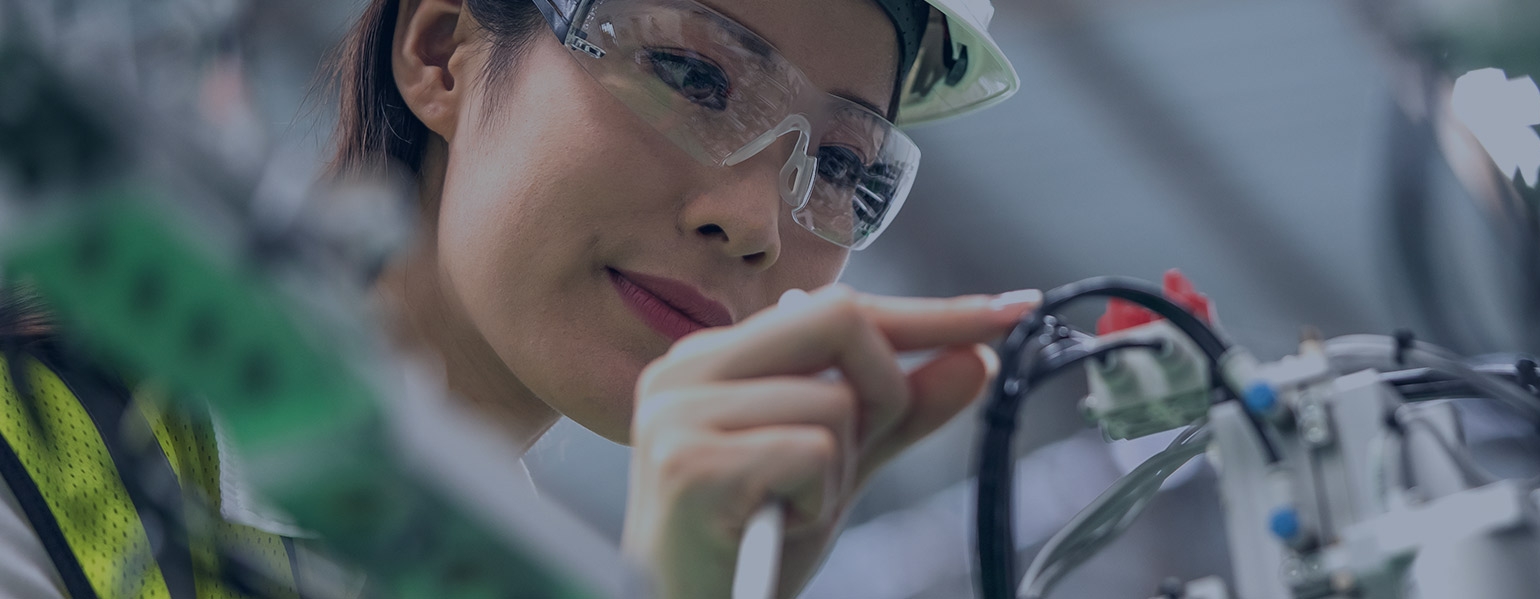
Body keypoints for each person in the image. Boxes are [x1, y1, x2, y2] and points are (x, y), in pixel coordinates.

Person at [0, 0, 1030, 597]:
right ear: (441, 53)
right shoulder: (32, 431)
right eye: (693, 75)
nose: (758, 220)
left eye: (845, 166)